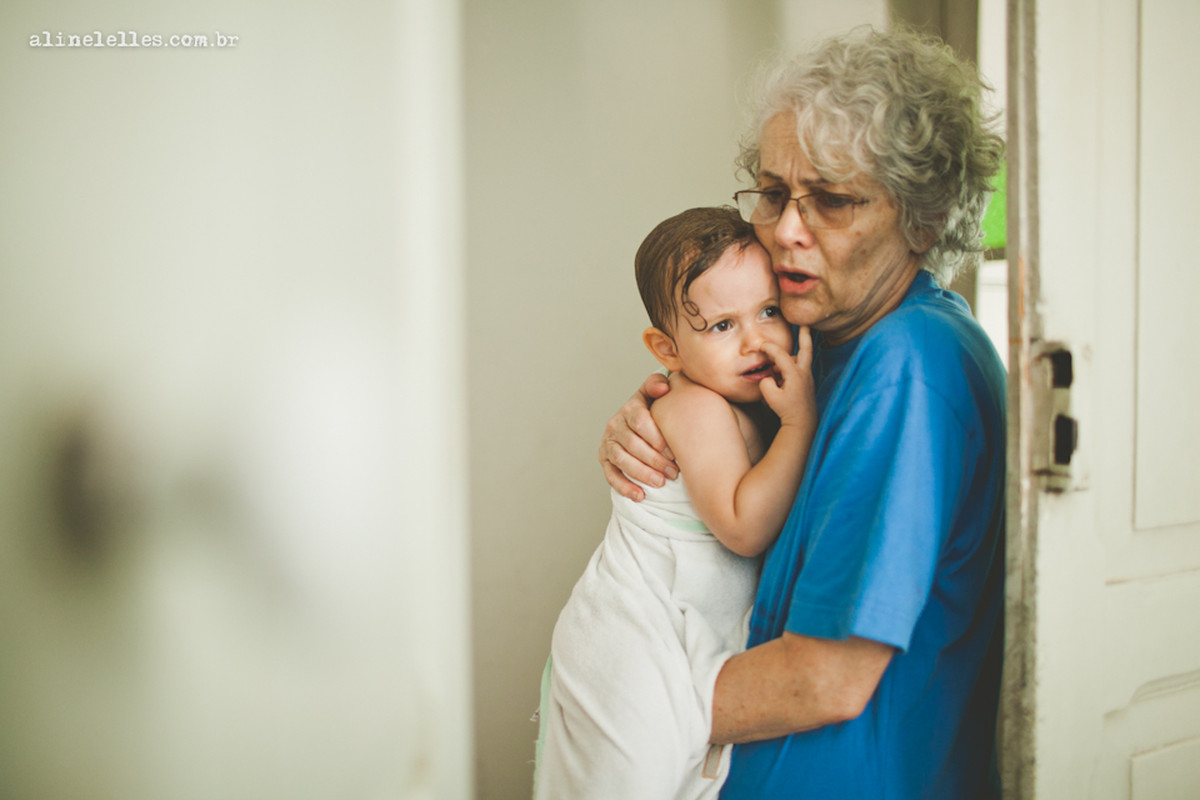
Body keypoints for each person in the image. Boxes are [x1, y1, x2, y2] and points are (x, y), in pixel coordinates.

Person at [599, 26, 1007, 799]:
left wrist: (617, 708)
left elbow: (826, 676)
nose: (786, 229)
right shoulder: (822, 338)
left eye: (832, 200)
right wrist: (664, 414)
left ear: (922, 218)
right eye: (774, 193)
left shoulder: (909, 365)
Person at [535, 206, 816, 799]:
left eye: (768, 310)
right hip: (630, 633)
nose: (756, 339)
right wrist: (798, 425)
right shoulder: (696, 406)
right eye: (721, 326)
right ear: (667, 348)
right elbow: (743, 527)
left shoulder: (742, 399)